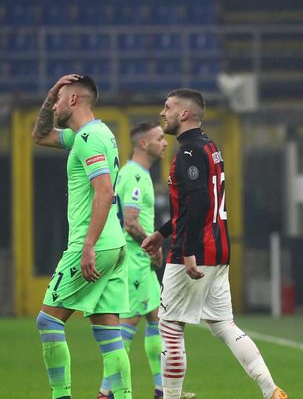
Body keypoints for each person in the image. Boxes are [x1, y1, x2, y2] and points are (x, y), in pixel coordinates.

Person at [141, 89, 287, 399]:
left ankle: (170, 396)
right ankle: (271, 390)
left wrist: (188, 250)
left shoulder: (189, 152)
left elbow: (200, 201)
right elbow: (193, 204)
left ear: (185, 114)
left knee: (169, 326)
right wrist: (162, 233)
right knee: (224, 325)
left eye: (168, 107)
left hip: (193, 254)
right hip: (218, 250)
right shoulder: (209, 146)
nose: (162, 113)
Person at [32, 74, 132, 398]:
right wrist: (50, 93)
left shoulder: (87, 139)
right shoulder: (95, 134)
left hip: (93, 243)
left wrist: (87, 245)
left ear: (74, 100)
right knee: (109, 336)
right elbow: (40, 135)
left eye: (60, 98)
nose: (56, 104)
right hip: (115, 244)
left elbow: (103, 192)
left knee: (48, 323)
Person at [96, 123, 192, 399]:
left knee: (158, 321)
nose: (165, 142)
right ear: (143, 144)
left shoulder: (134, 173)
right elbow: (130, 222)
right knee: (127, 327)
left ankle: (163, 390)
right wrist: (153, 247)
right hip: (136, 261)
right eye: (159, 138)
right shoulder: (135, 177)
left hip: (141, 262)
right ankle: (106, 392)